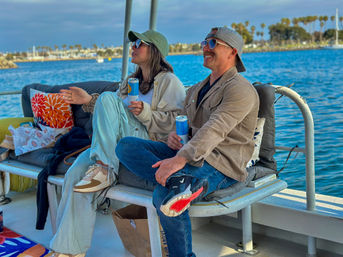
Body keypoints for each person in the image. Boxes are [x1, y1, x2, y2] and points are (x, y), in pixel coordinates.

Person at [115, 27, 260, 257]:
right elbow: (187, 126)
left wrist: (179, 158)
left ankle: (178, 189)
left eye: (212, 43)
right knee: (125, 146)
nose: (205, 48)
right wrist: (174, 138)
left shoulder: (241, 90)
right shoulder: (196, 89)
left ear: (233, 52)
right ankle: (179, 182)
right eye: (204, 43)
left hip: (220, 163)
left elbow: (215, 129)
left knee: (163, 196)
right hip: (189, 153)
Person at [48, 30, 185, 257]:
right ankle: (68, 251)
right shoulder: (130, 82)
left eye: (139, 43)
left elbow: (178, 121)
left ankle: (104, 168)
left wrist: (147, 113)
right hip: (117, 143)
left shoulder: (170, 82)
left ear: (154, 50)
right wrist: (87, 100)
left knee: (107, 98)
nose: (133, 46)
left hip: (144, 144)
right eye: (132, 43)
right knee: (75, 176)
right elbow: (113, 113)